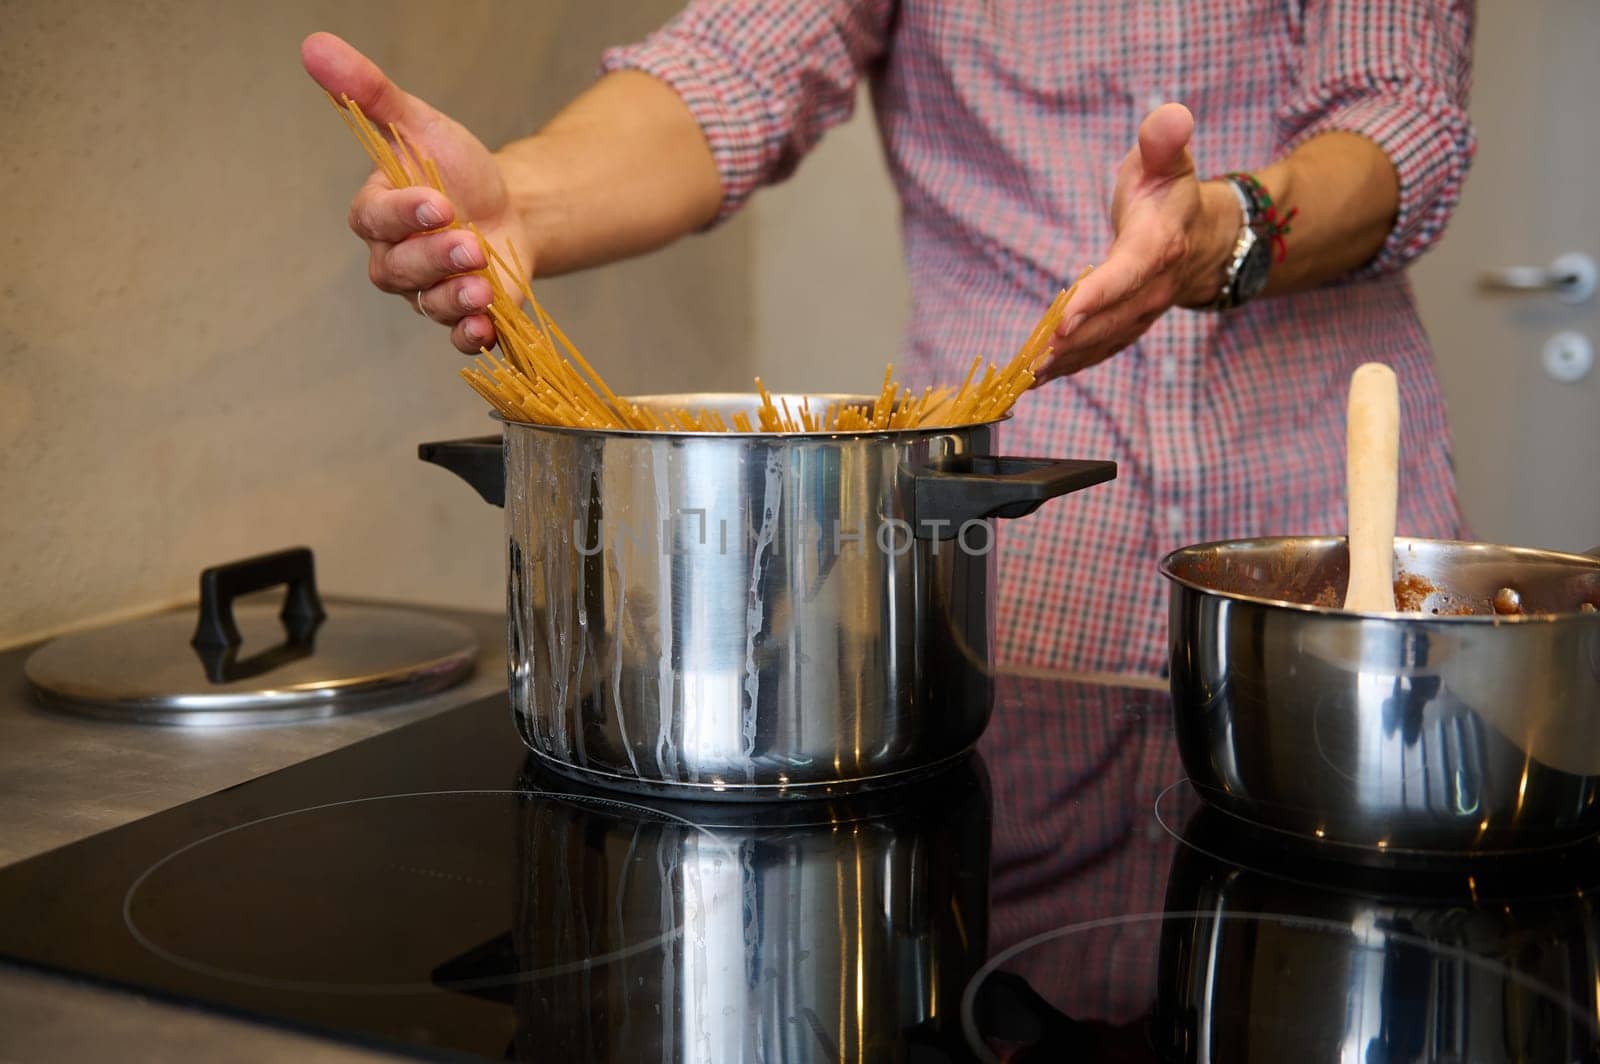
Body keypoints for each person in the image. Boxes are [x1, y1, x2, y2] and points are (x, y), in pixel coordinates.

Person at [301, 1, 1475, 678]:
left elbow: (1401, 114)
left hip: (1332, 554)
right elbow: (736, 64)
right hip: (1007, 583)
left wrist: (1224, 229)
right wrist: (519, 200)